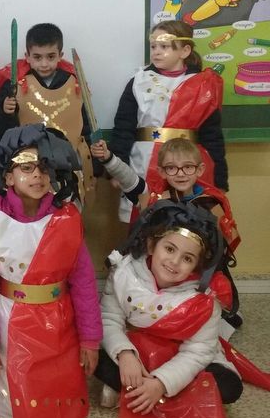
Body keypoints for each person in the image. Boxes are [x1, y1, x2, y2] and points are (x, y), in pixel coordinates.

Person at [0, 124, 102, 418]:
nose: (38, 176)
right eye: (26, 168)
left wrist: (90, 341)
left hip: (58, 324)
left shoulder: (66, 219)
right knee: (20, 399)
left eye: (44, 167)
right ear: (8, 177)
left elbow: (84, 284)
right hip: (10, 324)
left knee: (59, 398)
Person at [95, 201, 243, 418]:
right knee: (91, 358)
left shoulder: (204, 299)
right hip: (137, 351)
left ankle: (140, 389)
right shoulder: (124, 272)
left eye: (187, 258)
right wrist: (125, 354)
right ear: (151, 245)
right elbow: (109, 318)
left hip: (182, 356)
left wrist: (162, 383)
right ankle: (137, 384)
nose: (174, 262)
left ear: (198, 265)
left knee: (229, 387)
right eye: (170, 249)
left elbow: (198, 351)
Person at [92, 136, 242, 329]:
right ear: (162, 171)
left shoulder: (212, 204)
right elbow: (129, 179)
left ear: (200, 170)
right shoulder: (155, 197)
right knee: (126, 274)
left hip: (192, 270)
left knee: (213, 292)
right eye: (172, 168)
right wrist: (108, 158)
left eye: (188, 167)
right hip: (156, 269)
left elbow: (220, 249)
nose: (180, 174)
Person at [109, 20, 227, 222]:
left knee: (188, 221)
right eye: (153, 46)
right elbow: (123, 128)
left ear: (185, 51)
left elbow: (212, 136)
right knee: (147, 219)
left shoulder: (203, 85)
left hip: (187, 163)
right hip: (144, 161)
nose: (156, 52)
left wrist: (220, 179)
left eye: (164, 46)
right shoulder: (139, 81)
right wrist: (118, 168)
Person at [0, 23, 96, 199]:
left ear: (60, 55)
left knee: (68, 209)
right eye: (37, 57)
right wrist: (5, 112)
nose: (44, 63)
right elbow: (1, 130)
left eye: (50, 56)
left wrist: (95, 160)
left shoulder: (76, 85)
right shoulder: (14, 86)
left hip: (68, 167)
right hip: (29, 171)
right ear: (27, 57)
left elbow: (85, 125)